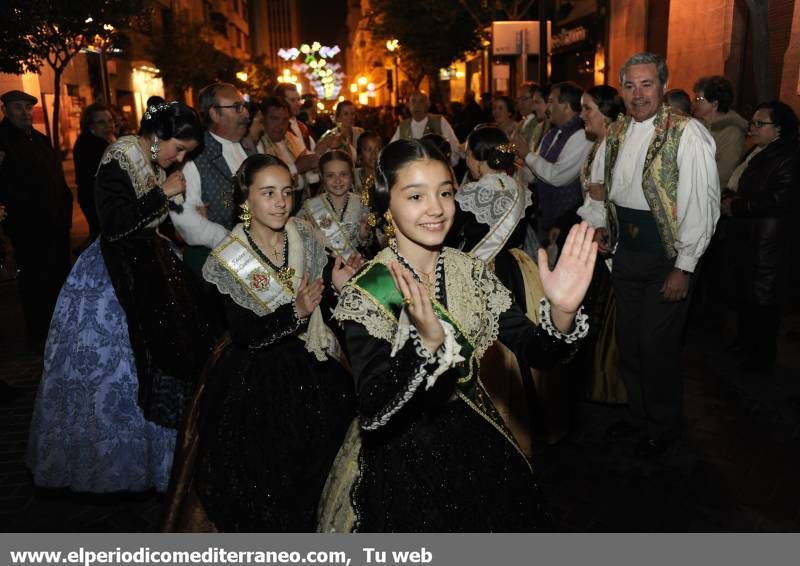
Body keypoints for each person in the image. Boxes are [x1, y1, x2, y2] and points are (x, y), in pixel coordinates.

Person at [317, 138, 596, 532]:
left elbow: (537, 351)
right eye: (416, 196)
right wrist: (424, 348)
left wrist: (563, 313)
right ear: (386, 206)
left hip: (476, 435)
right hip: (402, 462)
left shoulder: (472, 271)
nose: (436, 208)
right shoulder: (370, 289)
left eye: (445, 192)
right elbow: (375, 409)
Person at [26, 102, 216, 492]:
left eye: (185, 153)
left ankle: (167, 460)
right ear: (159, 133)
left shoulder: (149, 158)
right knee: (127, 364)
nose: (179, 158)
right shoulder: (120, 154)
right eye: (178, 148)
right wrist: (161, 192)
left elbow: (148, 221)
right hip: (114, 275)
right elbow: (112, 224)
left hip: (151, 262)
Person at [163, 154, 358, 531]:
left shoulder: (303, 235)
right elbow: (245, 332)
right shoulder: (229, 256)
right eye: (268, 193)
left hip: (313, 361)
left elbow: (323, 305)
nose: (281, 202)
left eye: (286, 192)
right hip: (257, 378)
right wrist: (294, 313)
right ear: (245, 200)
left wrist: (336, 290)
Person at [593, 53, 720, 458]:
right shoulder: (614, 133)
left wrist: (684, 267)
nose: (637, 94)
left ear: (664, 86)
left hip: (667, 259)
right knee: (629, 342)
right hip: (625, 255)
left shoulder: (687, 133)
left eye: (646, 84)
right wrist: (601, 225)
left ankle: (663, 427)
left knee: (656, 345)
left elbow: (702, 205)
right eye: (629, 86)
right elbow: (598, 187)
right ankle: (638, 415)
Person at [721, 101, 799, 372]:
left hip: (770, 242)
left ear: (778, 129)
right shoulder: (757, 150)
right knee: (746, 295)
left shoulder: (789, 156)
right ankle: (744, 343)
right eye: (752, 122)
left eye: (759, 123)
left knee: (763, 302)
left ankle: (761, 358)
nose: (752, 127)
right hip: (748, 237)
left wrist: (737, 206)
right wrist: (729, 197)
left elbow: (781, 199)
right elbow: (739, 181)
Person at [0, 90, 72, 351]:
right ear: (5, 111)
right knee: (34, 284)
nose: (25, 113)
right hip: (28, 229)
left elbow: (57, 181)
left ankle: (59, 331)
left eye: (28, 108)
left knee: (57, 279)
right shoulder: (4, 143)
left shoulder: (40, 140)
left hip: (55, 226)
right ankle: (39, 335)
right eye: (18, 108)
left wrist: (65, 214)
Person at [574, 85, 626, 405]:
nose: (583, 115)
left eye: (588, 108)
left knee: (607, 317)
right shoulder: (604, 143)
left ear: (606, 113)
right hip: (598, 235)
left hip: (604, 240)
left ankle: (610, 387)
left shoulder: (610, 146)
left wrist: (595, 231)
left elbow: (602, 199)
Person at [171, 83, 254, 275]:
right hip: (218, 265)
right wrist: (230, 239)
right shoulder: (195, 157)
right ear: (214, 114)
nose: (246, 114)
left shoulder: (249, 147)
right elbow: (185, 219)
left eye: (244, 106)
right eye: (236, 107)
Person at [517, 82, 593, 246]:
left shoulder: (581, 135)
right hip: (546, 217)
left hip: (568, 222)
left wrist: (527, 155)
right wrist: (518, 164)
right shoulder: (551, 134)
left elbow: (557, 176)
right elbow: (533, 175)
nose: (547, 107)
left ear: (565, 106)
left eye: (551, 101)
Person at [296, 150, 372, 260]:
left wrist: (364, 237)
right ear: (322, 177)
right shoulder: (309, 208)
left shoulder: (362, 204)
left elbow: (370, 245)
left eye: (343, 174)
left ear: (351, 175)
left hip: (355, 268)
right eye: (330, 175)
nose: (338, 180)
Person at [692, 76, 748, 188]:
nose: (694, 103)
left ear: (714, 104)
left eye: (699, 99)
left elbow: (724, 172)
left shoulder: (732, 132)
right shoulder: (698, 124)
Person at [73, 103, 115, 244]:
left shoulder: (104, 140)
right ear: (90, 125)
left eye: (110, 121)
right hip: (96, 202)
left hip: (100, 200)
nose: (108, 126)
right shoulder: (90, 145)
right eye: (101, 122)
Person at [390, 92, 463, 166]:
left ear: (428, 105)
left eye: (421, 101)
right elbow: (392, 149)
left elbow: (453, 146)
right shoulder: (403, 126)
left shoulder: (439, 121)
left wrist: (447, 165)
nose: (417, 105)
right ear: (408, 106)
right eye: (413, 101)